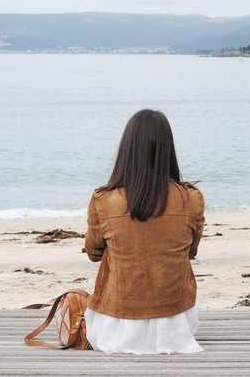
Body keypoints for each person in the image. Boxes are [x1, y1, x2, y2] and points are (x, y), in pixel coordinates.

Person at [83, 109, 205, 354]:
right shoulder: (191, 198)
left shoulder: (103, 199)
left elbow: (93, 253)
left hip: (115, 326)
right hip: (176, 325)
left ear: (127, 149)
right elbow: (190, 252)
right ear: (168, 149)